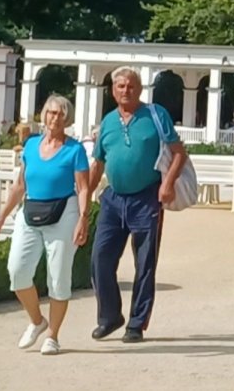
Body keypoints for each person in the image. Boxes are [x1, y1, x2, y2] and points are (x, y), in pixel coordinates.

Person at [88, 67, 188, 343]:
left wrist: (167, 183)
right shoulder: (107, 122)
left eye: (130, 86)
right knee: (100, 259)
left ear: (140, 89)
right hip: (113, 199)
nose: (125, 90)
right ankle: (110, 316)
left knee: (144, 263)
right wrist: (84, 199)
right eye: (120, 86)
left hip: (147, 197)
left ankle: (136, 323)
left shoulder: (156, 115)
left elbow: (179, 153)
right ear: (112, 90)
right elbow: (98, 163)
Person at [0, 94, 92, 356]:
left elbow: (82, 188)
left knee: (58, 277)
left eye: (60, 114)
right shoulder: (31, 146)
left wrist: (83, 217)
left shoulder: (75, 149)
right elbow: (20, 185)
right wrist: (2, 216)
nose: (54, 118)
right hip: (31, 210)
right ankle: (37, 321)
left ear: (66, 119)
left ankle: (53, 335)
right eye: (50, 113)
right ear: (43, 115)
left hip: (64, 212)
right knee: (17, 271)